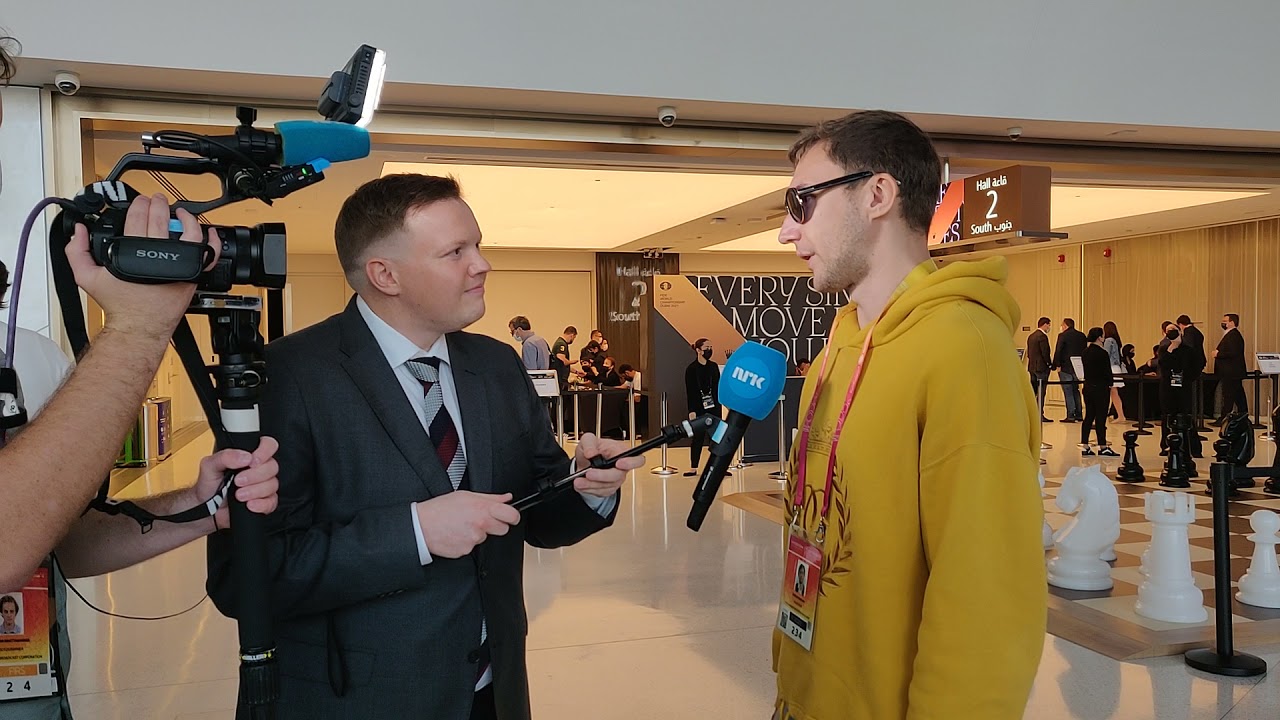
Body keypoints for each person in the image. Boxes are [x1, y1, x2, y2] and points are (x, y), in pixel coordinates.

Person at [207, 174, 644, 720]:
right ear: (385, 274)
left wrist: (587, 487)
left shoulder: (495, 365)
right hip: (358, 700)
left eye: (478, 245)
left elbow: (539, 512)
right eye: (456, 251)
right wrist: (414, 533)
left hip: (494, 693)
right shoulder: (287, 376)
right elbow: (247, 577)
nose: (481, 264)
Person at [773, 110, 1044, 720]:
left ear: (877, 195)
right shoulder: (840, 345)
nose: (786, 232)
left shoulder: (965, 348)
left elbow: (985, 595)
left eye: (801, 202)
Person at [683, 338, 720, 478]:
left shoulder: (713, 366)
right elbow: (690, 391)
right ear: (698, 350)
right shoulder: (691, 369)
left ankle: (717, 466)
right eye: (706, 347)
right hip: (699, 407)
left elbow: (717, 387)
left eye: (711, 347)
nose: (709, 350)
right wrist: (691, 410)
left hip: (714, 407)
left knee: (716, 438)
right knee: (698, 438)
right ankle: (693, 467)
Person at [1081, 327, 1118, 456]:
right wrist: (1110, 383)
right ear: (1099, 337)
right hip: (1101, 388)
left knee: (1089, 416)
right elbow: (1107, 372)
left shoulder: (1085, 352)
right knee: (1101, 418)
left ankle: (1085, 445)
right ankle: (1103, 446)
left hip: (1088, 387)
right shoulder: (1102, 353)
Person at [1051, 318, 1086, 422]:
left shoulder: (1063, 336)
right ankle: (1079, 414)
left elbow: (1059, 350)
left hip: (1066, 367)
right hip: (1078, 366)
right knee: (1076, 390)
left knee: (1068, 391)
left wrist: (1056, 365)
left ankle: (1070, 415)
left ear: (1065, 325)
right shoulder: (1082, 336)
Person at [1213, 313, 1247, 422]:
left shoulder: (1233, 335)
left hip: (1231, 372)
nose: (1222, 323)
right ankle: (1243, 414)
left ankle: (1224, 419)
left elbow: (1233, 352)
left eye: (1225, 321)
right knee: (1238, 395)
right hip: (1233, 372)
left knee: (1229, 396)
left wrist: (1218, 354)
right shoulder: (1232, 335)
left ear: (1232, 322)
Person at [1026, 316, 1052, 421]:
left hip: (1032, 367)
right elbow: (1045, 352)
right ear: (1045, 324)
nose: (1049, 327)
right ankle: (1039, 414)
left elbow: (1029, 353)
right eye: (1049, 325)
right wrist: (1049, 364)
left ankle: (1031, 413)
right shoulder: (1042, 337)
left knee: (1033, 391)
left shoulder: (1031, 336)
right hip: (1041, 368)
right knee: (1041, 392)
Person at [1102, 321, 1128, 421]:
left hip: (1111, 368)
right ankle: (1120, 414)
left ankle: (1120, 415)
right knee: (1114, 392)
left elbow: (1105, 354)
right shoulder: (1116, 340)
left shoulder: (1108, 340)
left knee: (1113, 392)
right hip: (1116, 368)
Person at [550, 326, 577, 390]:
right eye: (574, 337)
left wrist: (576, 372)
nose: (573, 340)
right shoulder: (561, 344)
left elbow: (563, 365)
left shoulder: (560, 343)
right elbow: (562, 360)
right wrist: (573, 362)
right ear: (571, 335)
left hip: (560, 377)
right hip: (560, 378)